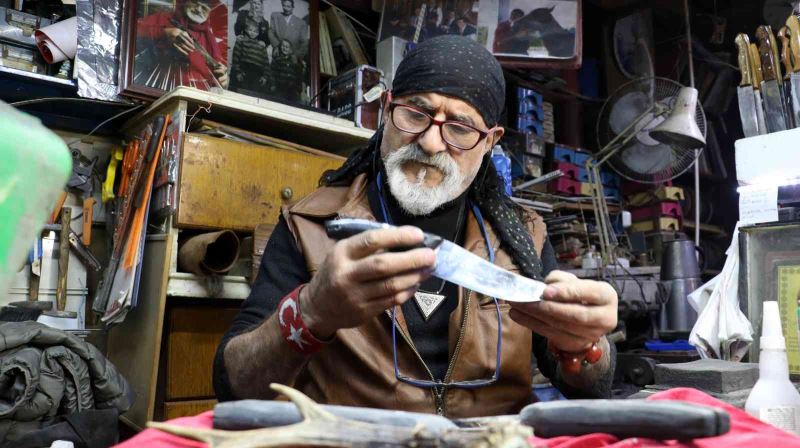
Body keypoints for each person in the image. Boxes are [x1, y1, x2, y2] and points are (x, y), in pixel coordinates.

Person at [213, 35, 617, 417]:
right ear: (387, 109)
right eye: (415, 113)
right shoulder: (311, 226)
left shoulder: (525, 237)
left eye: (459, 128)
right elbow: (235, 386)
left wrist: (584, 345)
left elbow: (589, 388)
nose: (429, 142)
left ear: (490, 140)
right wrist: (310, 311)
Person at [136, 0, 228, 89]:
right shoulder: (164, 18)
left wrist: (222, 80)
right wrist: (164, 32)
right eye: (195, 2)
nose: (198, 9)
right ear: (186, 1)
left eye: (204, 8)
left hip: (198, 98)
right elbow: (132, 31)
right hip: (161, 93)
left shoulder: (211, 39)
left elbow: (218, 76)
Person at [229, 18, 270, 95]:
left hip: (257, 75)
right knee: (241, 94)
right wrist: (238, 72)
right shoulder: (241, 41)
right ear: (246, 30)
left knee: (254, 95)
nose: (252, 33)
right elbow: (235, 59)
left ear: (258, 33)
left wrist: (265, 76)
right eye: (250, 30)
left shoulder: (261, 45)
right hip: (244, 72)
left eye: (255, 31)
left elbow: (266, 63)